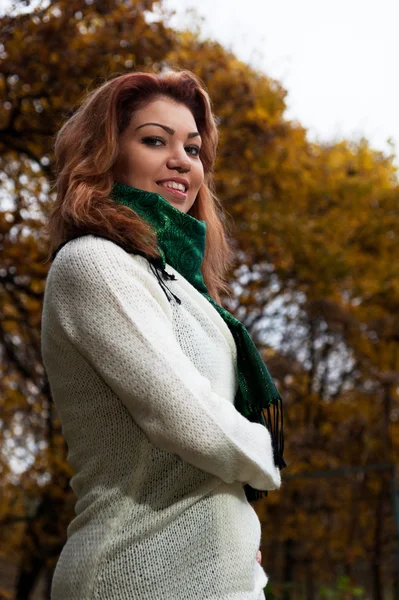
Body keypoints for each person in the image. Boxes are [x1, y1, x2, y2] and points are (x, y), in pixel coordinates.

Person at [41, 69, 286, 600]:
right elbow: (191, 421)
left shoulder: (179, 282)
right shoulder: (96, 263)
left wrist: (242, 541)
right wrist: (267, 457)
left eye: (193, 148)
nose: (181, 160)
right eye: (155, 140)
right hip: (136, 575)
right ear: (106, 153)